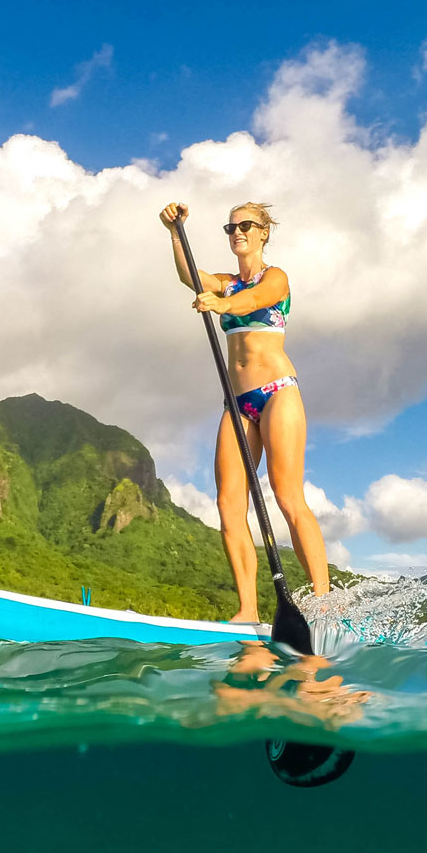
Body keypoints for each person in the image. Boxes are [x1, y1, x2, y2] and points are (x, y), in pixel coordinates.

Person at [159, 200, 331, 622]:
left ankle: (324, 603)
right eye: (230, 227)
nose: (236, 232)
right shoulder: (225, 282)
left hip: (276, 393)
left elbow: (257, 297)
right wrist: (175, 232)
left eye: (245, 226)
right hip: (237, 405)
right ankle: (248, 609)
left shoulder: (276, 278)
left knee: (288, 497)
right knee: (229, 505)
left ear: (263, 232)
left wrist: (222, 306)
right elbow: (190, 276)